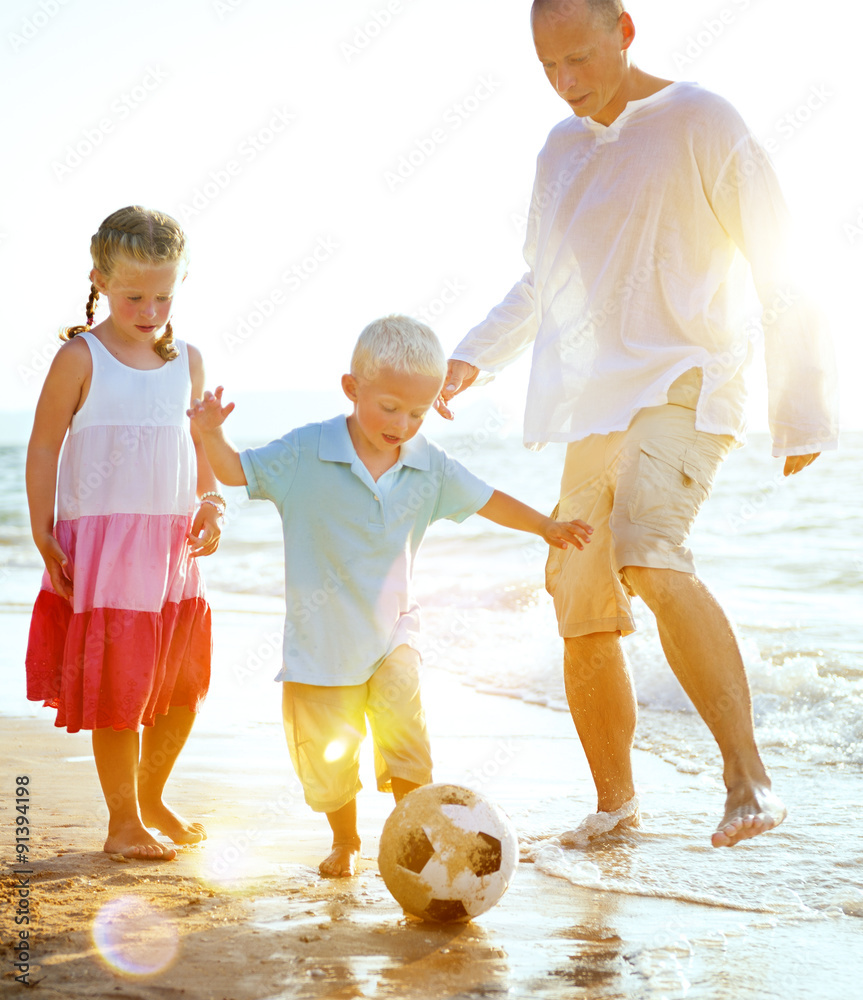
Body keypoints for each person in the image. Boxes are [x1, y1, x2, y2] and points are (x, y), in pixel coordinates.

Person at [438, 0, 837, 848]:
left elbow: (779, 257)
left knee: (645, 546)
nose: (565, 83)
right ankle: (615, 805)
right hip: (597, 401)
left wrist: (797, 411)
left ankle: (748, 781)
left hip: (690, 376)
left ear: (624, 30)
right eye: (548, 68)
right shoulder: (560, 149)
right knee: (577, 593)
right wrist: (473, 356)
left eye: (578, 59)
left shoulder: (701, 119)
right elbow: (541, 281)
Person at [188, 314, 593, 877]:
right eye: (390, 407)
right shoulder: (307, 450)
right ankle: (346, 840)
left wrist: (545, 527)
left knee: (407, 738)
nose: (403, 423)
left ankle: (416, 838)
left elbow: (487, 498)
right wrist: (211, 433)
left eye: (418, 413)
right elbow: (234, 472)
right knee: (327, 760)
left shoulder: (429, 466)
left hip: (393, 635)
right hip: (320, 644)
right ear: (352, 389)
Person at [25, 206, 222, 861]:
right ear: (99, 280)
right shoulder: (81, 358)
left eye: (163, 296)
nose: (149, 309)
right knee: (121, 691)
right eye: (134, 295)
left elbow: (200, 450)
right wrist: (42, 530)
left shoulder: (186, 361)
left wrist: (212, 502)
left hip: (171, 552)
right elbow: (45, 446)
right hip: (107, 554)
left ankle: (153, 794)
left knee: (180, 688)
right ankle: (123, 823)